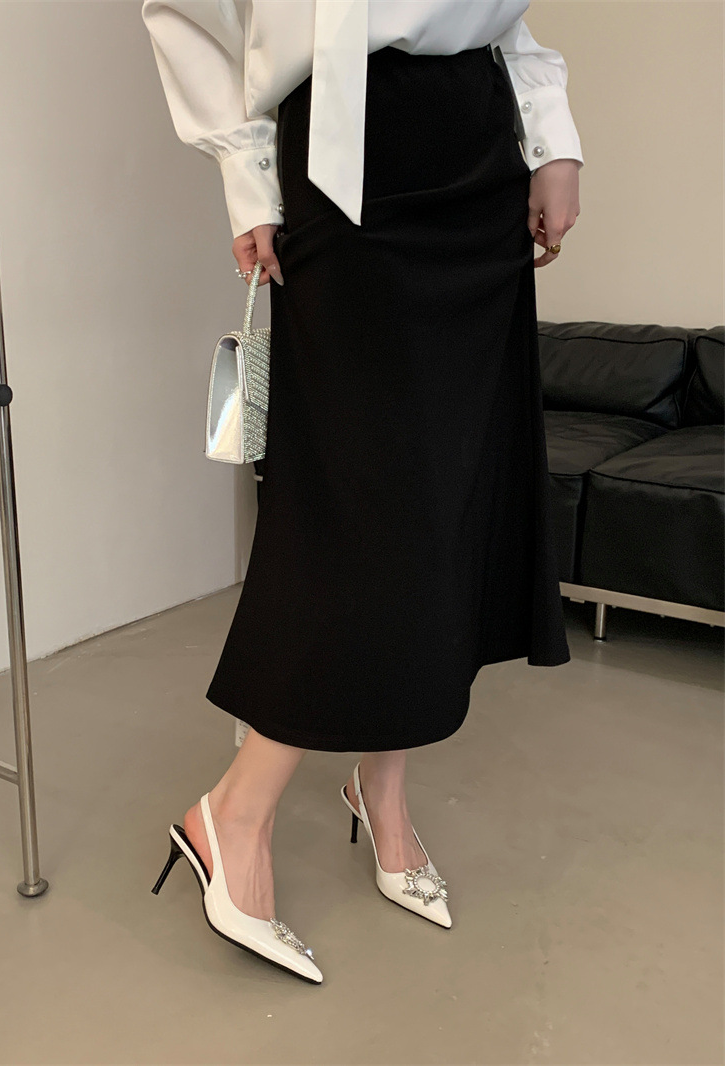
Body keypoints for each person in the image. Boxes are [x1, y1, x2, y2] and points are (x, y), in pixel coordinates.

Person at [142, 0, 583, 985]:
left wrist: (552, 138)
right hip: (339, 159)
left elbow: (502, 18)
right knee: (362, 503)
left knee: (442, 498)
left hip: (476, 154)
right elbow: (186, 10)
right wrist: (245, 174)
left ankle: (381, 794)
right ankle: (235, 810)